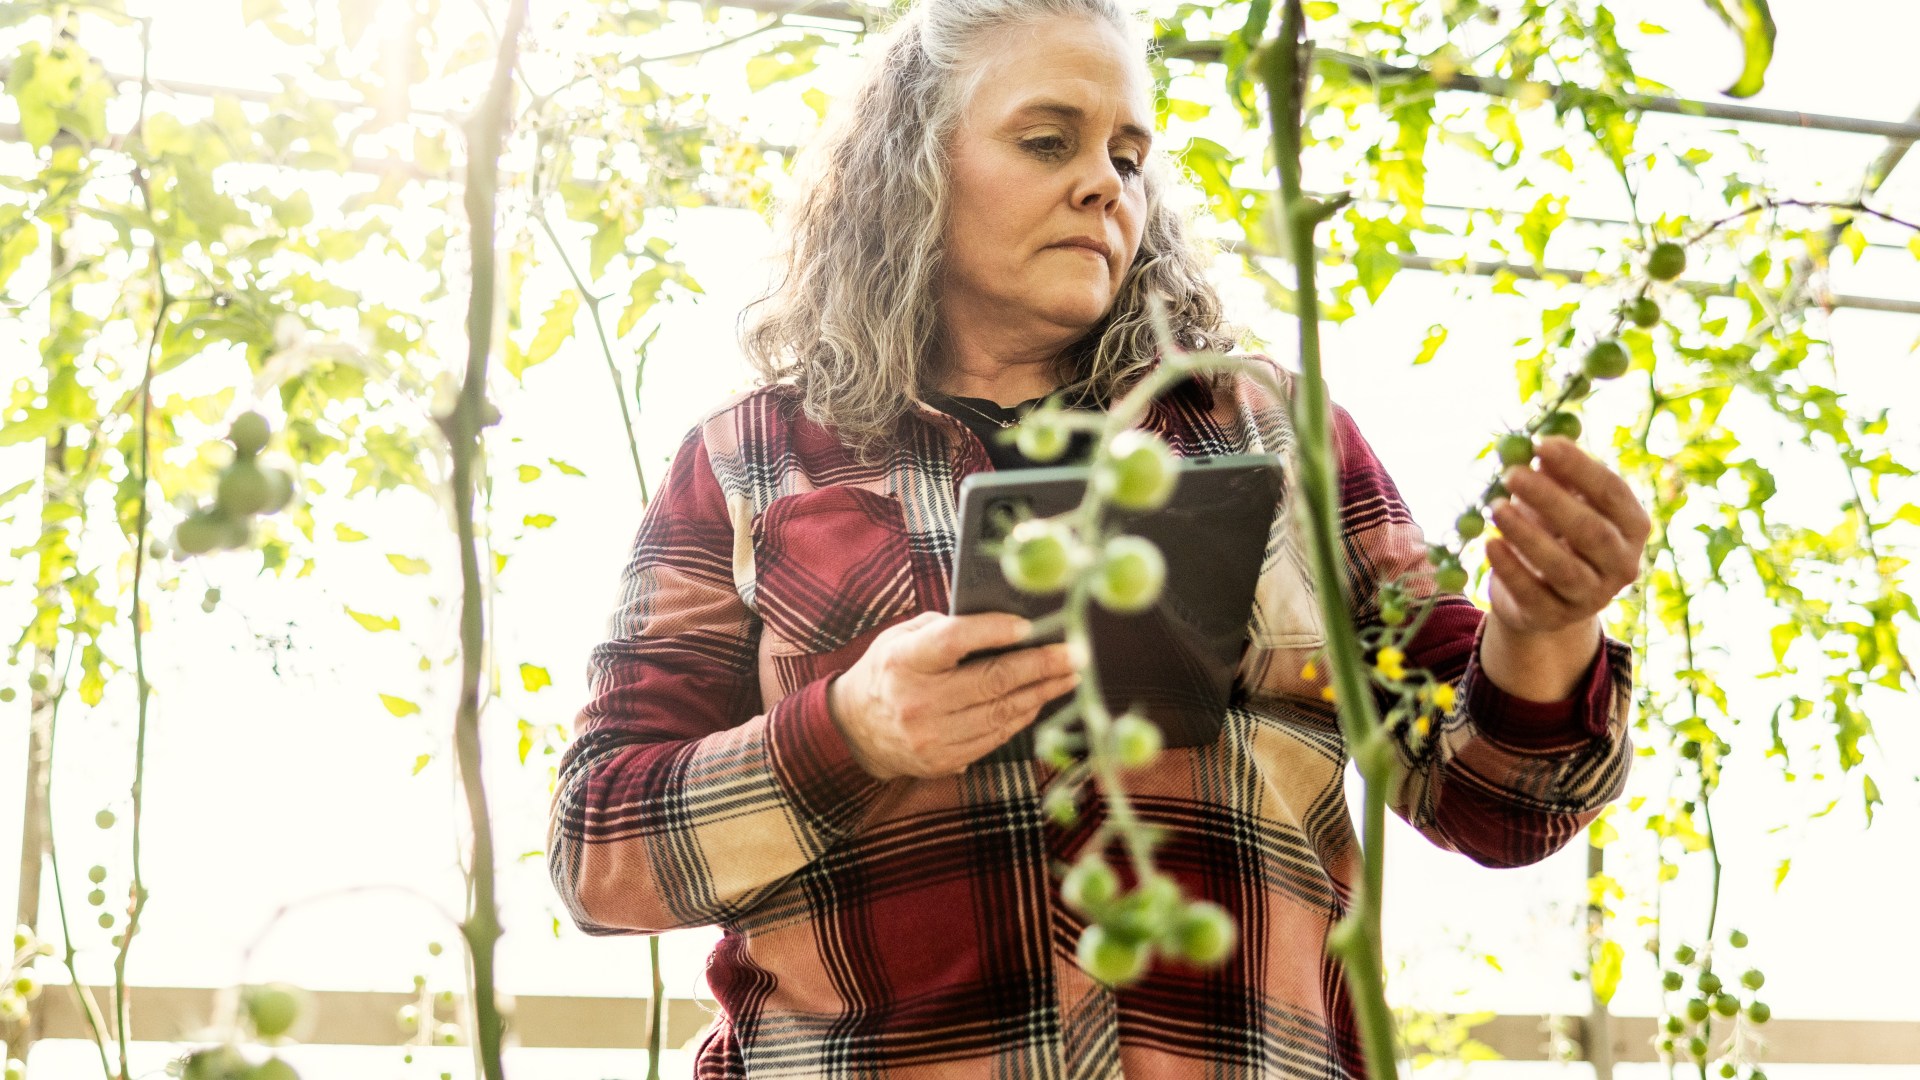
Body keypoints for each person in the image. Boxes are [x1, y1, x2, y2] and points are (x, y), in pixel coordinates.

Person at [547, 0, 1651, 1074]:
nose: (1105, 184)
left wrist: (1543, 629)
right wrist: (848, 732)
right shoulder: (751, 460)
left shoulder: (1269, 431)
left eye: (1129, 156)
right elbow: (597, 852)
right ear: (912, 167)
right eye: (1047, 141)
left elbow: (1500, 803)